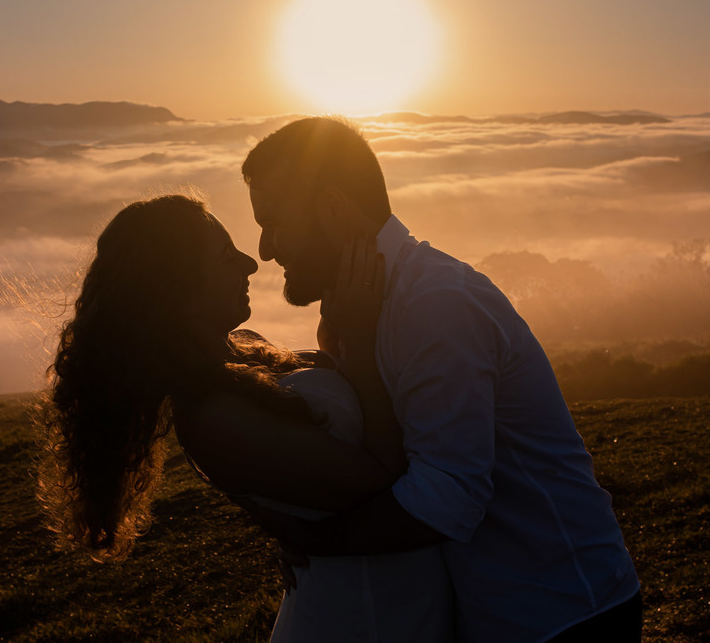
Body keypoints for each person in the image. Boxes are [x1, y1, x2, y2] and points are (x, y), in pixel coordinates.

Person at [241, 117, 642, 643]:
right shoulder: (358, 312)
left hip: (562, 611)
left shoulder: (435, 304)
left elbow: (446, 498)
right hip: (500, 613)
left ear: (333, 208)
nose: (265, 249)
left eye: (273, 222)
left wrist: (314, 541)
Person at [40, 193, 454, 641]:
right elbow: (382, 475)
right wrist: (362, 334)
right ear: (179, 290)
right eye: (226, 255)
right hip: (363, 615)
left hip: (398, 592)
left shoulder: (246, 349)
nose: (250, 263)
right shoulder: (211, 418)